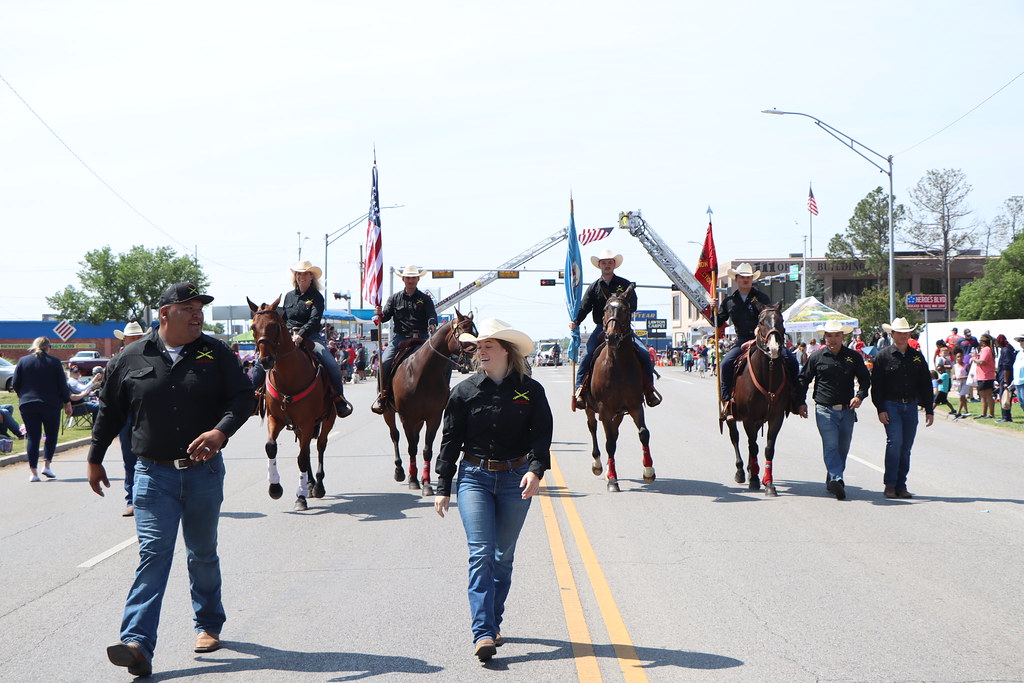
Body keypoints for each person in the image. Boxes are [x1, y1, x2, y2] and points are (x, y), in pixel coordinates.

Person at [87, 283, 254, 678]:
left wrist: (221, 432)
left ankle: (208, 623)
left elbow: (243, 397)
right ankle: (137, 644)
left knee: (201, 553)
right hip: (151, 475)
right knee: (154, 555)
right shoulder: (130, 357)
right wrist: (95, 458)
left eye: (200, 308)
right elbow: (110, 411)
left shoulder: (217, 353)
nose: (198, 314)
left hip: (203, 474)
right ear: (164, 313)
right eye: (189, 307)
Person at [434, 319, 552, 662]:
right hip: (474, 478)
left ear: (505, 351)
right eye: (478, 346)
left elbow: (540, 436)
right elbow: (450, 440)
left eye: (488, 346)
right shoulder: (464, 391)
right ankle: (483, 632)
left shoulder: (531, 390)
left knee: (503, 557)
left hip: (516, 478)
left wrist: (535, 470)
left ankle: (494, 620)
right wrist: (443, 485)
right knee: (481, 553)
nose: (481, 351)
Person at [252, 261, 352, 418]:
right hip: (288, 336)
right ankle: (253, 398)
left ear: (311, 276)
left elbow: (314, 320)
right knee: (260, 361)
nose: (302, 276)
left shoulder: (316, 297)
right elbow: (284, 318)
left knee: (331, 364)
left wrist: (301, 335)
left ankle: (339, 400)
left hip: (311, 336)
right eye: (299, 273)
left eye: (305, 273)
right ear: (295, 277)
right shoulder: (289, 296)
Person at [569, 249, 661, 410]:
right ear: (599, 265)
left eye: (610, 262)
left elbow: (634, 305)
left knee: (645, 354)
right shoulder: (593, 287)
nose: (607, 265)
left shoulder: (625, 284)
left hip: (623, 328)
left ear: (614, 265)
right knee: (587, 355)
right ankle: (580, 391)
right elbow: (585, 307)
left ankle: (649, 391)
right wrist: (576, 321)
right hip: (601, 328)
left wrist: (621, 305)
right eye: (604, 263)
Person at [715, 263, 801, 418]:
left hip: (763, 338)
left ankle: (795, 399)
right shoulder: (729, 301)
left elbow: (769, 319)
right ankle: (727, 402)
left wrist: (759, 334)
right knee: (726, 364)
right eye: (742, 277)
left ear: (752, 279)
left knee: (791, 361)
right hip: (741, 339)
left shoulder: (761, 298)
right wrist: (712, 309)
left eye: (748, 277)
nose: (745, 280)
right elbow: (718, 322)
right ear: (736, 279)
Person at [797, 321, 871, 500]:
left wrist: (860, 396)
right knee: (831, 445)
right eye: (829, 335)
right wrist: (801, 402)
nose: (833, 339)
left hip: (847, 410)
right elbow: (803, 379)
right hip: (824, 409)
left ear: (843, 337)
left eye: (837, 335)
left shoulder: (853, 357)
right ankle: (838, 479)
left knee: (843, 448)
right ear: (825, 337)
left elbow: (865, 378)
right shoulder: (816, 357)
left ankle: (832, 477)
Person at [870, 317, 934, 499]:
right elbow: (877, 386)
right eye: (900, 332)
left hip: (911, 405)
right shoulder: (883, 356)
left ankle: (901, 484)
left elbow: (925, 384)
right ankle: (890, 484)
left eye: (906, 332)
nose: (904, 335)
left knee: (906, 447)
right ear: (892, 334)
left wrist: (929, 409)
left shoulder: (917, 357)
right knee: (895, 443)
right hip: (891, 405)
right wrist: (880, 409)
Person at [371, 265, 440, 414]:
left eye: (413, 278)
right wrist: (379, 314)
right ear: (403, 279)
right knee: (383, 363)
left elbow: (431, 315)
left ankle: (442, 393)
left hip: (421, 338)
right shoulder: (394, 298)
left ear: (418, 279)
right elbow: (385, 317)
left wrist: (432, 324)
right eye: (408, 278)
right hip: (400, 338)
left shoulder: (425, 298)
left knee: (440, 360)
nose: (411, 280)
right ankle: (381, 395)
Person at [12, 337, 72, 482]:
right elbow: (62, 385)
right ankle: (46, 465)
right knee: (51, 435)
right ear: (48, 347)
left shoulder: (23, 361)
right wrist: (67, 402)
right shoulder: (55, 362)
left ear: (34, 346)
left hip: (28, 404)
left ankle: (33, 473)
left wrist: (23, 396)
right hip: (50, 404)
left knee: (33, 437)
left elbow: (15, 383)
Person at [114, 321, 146, 516]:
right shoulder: (116, 362)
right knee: (130, 459)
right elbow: (108, 397)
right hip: (126, 416)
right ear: (124, 340)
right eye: (131, 338)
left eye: (138, 337)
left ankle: (152, 498)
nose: (135, 341)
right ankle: (132, 499)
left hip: (148, 415)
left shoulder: (154, 359)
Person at [973, 334, 996, 419]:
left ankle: (991, 414)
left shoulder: (986, 349)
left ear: (983, 342)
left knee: (988, 395)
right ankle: (983, 413)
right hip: (982, 376)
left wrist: (974, 359)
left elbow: (982, 361)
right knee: (982, 396)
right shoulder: (985, 350)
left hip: (986, 376)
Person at [995, 334, 1017, 423]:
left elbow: (1006, 366)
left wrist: (1005, 380)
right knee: (1004, 396)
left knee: (1005, 396)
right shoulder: (1006, 349)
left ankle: (1006, 416)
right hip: (1003, 377)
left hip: (1005, 378)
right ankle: (1005, 415)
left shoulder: (1006, 350)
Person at [952, 350, 971, 419]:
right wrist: (954, 376)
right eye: (958, 357)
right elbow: (953, 373)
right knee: (963, 398)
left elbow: (970, 375)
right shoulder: (954, 366)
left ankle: (958, 412)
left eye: (961, 356)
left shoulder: (966, 366)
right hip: (958, 383)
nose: (959, 358)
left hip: (965, 383)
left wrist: (962, 377)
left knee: (961, 396)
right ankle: (966, 411)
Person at [1013, 334, 1024, 421]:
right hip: (1018, 380)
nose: (1021, 342)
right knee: (1020, 401)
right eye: (1020, 341)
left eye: (1022, 340)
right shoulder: (1019, 353)